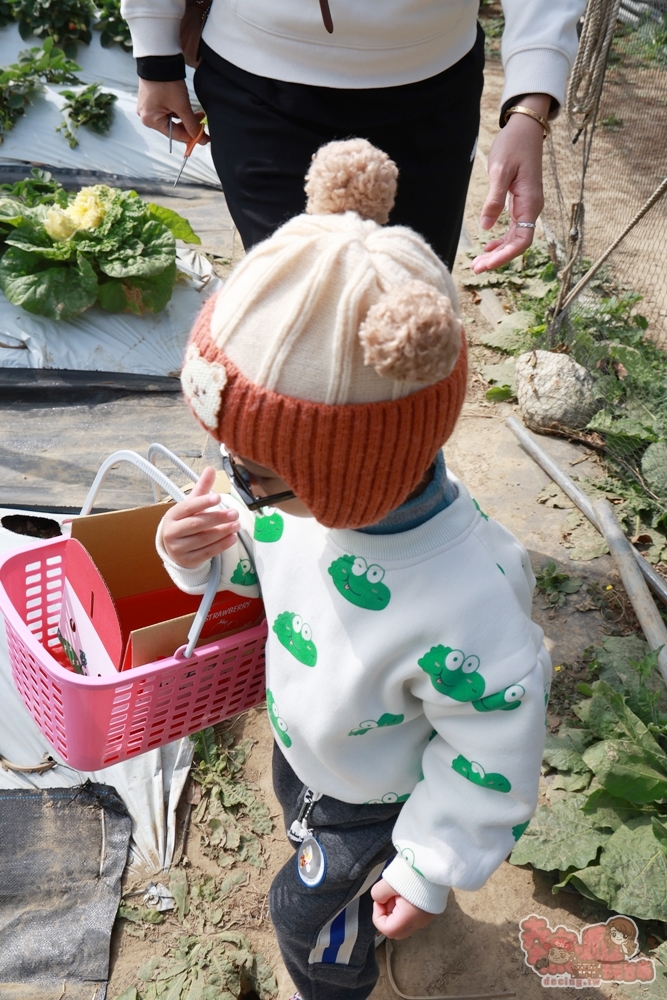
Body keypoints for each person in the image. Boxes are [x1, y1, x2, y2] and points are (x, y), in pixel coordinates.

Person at [157, 139, 551, 1000]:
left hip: (378, 798)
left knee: (309, 923)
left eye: (252, 471)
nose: (234, 482)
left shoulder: (466, 599)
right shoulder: (295, 507)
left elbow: (492, 747)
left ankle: (332, 982)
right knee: (295, 803)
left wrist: (429, 863)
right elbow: (256, 564)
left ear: (351, 472)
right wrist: (200, 554)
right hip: (317, 749)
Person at [121, 0, 584, 274]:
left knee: (405, 299)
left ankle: (407, 440)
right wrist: (155, 48)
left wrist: (531, 104)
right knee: (292, 294)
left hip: (432, 86)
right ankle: (269, 437)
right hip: (259, 76)